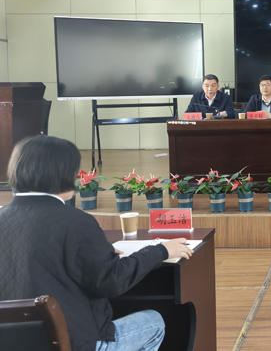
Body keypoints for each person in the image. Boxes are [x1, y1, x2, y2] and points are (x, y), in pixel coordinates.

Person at [0, 135, 193, 351]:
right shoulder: (75, 221)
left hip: (11, 343)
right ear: (63, 174)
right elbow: (113, 281)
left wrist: (99, 252)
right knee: (154, 322)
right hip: (73, 344)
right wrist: (161, 251)